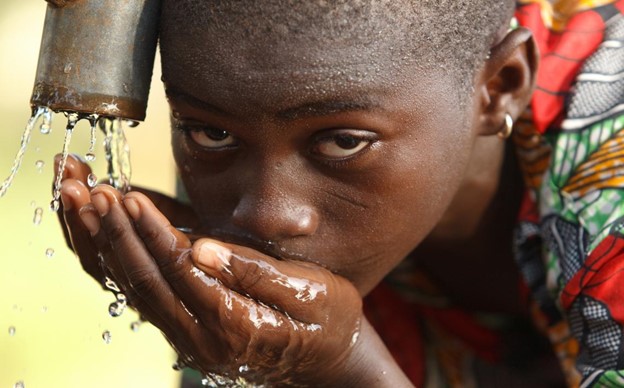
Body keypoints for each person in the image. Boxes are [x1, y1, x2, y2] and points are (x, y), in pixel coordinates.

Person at [54, 0, 624, 386]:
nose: (266, 215)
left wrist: (344, 364)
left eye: (345, 142)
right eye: (211, 130)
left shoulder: (610, 165)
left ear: (499, 87)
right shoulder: (246, 164)